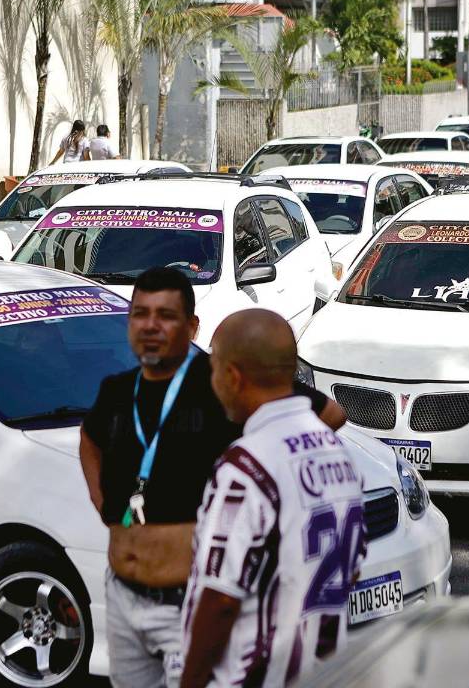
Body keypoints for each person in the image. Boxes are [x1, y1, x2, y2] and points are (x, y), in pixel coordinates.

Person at [80, 268, 346, 688]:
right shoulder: (117, 389)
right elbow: (89, 439)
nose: (150, 326)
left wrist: (270, 469)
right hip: (123, 595)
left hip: (189, 603)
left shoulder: (224, 382)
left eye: (165, 315)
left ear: (192, 327)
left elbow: (330, 413)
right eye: (140, 313)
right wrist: (100, 500)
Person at [180, 310, 367, 688]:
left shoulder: (246, 466)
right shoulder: (338, 454)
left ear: (232, 376)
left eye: (213, 369)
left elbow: (220, 600)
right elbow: (353, 568)